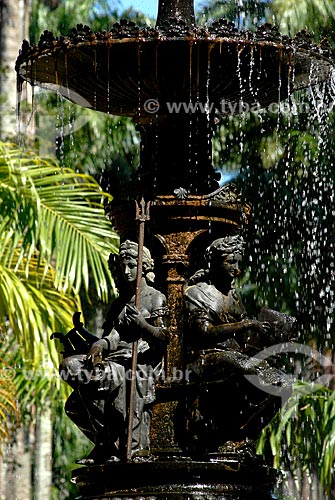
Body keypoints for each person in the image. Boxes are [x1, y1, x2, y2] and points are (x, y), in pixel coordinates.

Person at [58, 240, 170, 463]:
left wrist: (143, 326)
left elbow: (166, 338)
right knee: (70, 368)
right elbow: (114, 336)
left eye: (132, 266)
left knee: (87, 395)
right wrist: (99, 345)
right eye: (123, 267)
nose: (126, 272)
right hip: (116, 357)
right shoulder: (120, 303)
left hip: (140, 362)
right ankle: (108, 440)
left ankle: (112, 444)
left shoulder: (155, 297)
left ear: (144, 267)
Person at [182, 234, 295, 453]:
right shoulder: (197, 293)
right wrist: (246, 325)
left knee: (283, 384)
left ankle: (242, 437)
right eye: (230, 261)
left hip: (236, 357)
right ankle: (212, 428)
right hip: (205, 357)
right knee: (246, 367)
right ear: (213, 261)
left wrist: (274, 338)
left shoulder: (233, 295)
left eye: (238, 262)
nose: (236, 268)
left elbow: (245, 340)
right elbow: (203, 332)